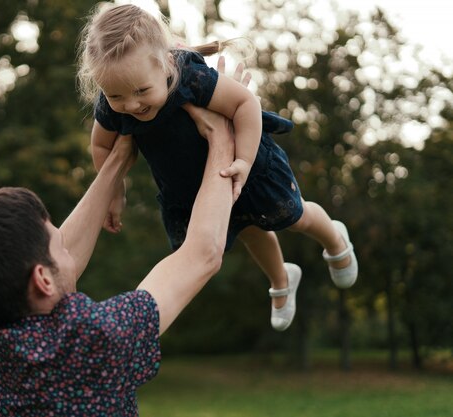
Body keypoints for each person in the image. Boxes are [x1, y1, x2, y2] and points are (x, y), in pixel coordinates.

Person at [0, 93, 237, 415]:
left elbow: (28, 265)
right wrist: (221, 137)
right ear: (41, 279)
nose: (69, 252)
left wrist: (118, 159)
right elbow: (202, 253)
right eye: (60, 246)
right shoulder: (87, 343)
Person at [76, 3, 358, 332]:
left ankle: (336, 241)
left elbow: (244, 103)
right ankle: (281, 281)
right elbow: (100, 145)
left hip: (246, 166)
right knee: (253, 233)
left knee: (294, 216)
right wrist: (115, 193)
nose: (131, 105)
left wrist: (244, 161)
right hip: (193, 191)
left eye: (141, 91)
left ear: (165, 63)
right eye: (116, 96)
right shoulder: (114, 100)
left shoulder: (190, 77)